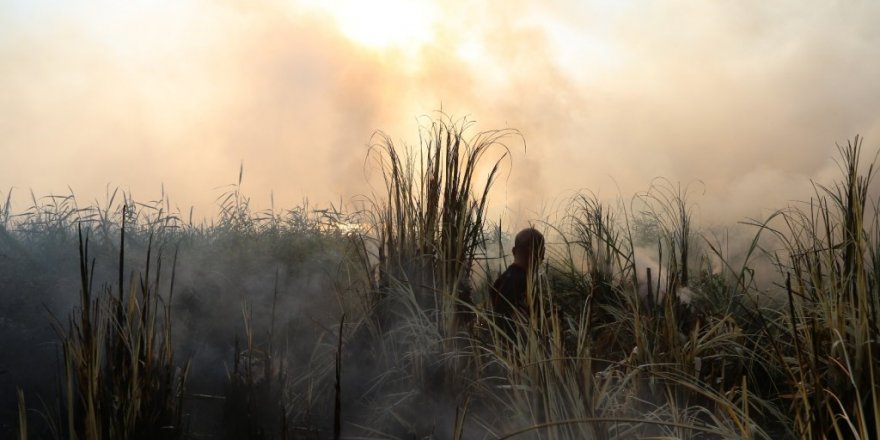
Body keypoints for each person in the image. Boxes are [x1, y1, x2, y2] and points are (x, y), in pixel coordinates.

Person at [490, 227, 545, 339]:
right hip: (517, 352)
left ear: (514, 251)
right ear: (540, 254)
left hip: (497, 349)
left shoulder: (500, 281)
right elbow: (524, 328)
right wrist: (551, 323)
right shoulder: (526, 285)